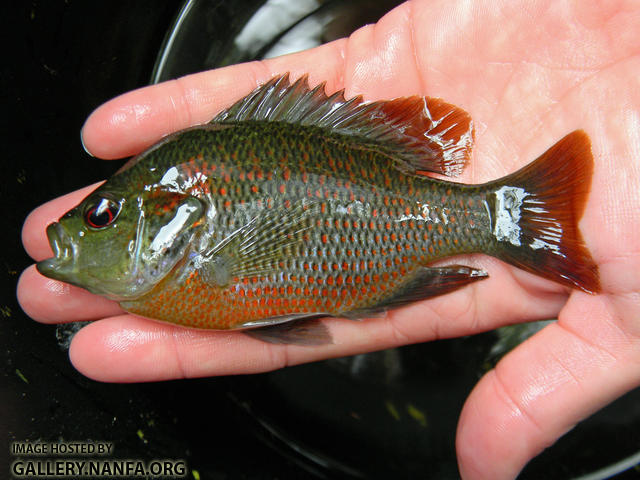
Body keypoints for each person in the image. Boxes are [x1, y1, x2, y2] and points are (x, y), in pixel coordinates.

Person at [17, 1, 640, 478]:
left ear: (168, 212)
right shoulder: (174, 267)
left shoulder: (186, 256)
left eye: (100, 216)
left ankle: (502, 214)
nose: (75, 232)